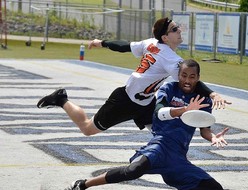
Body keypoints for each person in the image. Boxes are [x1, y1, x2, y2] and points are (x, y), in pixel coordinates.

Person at [54, 59, 229, 190]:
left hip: (178, 157)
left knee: (214, 189)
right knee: (133, 171)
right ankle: (81, 185)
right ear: (178, 75)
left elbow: (204, 128)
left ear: (198, 78)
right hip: (159, 146)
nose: (187, 80)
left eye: (192, 76)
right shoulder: (169, 88)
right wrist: (184, 109)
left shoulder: (204, 100)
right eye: (184, 75)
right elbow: (160, 112)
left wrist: (213, 137)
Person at [37, 17, 230, 136]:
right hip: (125, 101)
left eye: (177, 27)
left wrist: (101, 42)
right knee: (88, 129)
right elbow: (191, 80)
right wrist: (212, 95)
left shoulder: (151, 43)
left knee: (162, 134)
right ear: (164, 38)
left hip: (145, 102)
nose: (178, 30)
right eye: (174, 29)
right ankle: (62, 99)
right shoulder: (170, 58)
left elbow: (124, 46)